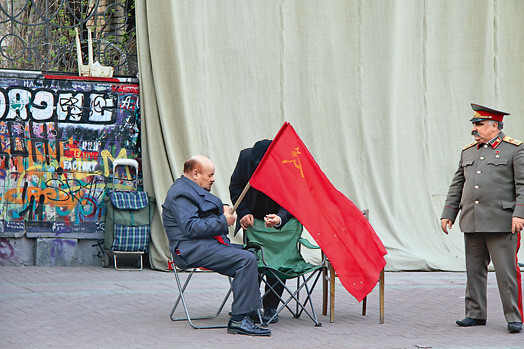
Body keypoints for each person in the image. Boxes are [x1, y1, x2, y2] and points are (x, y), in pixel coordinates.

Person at [162, 155, 270, 336]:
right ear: (195, 173)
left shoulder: (190, 188)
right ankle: (238, 319)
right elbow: (191, 227)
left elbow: (204, 209)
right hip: (190, 250)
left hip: (204, 245)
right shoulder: (180, 193)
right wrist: (223, 220)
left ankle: (249, 309)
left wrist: (224, 207)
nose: (213, 179)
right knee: (245, 259)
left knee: (254, 253)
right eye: (210, 175)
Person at [441, 103, 524, 333]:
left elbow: (523, 185)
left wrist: (520, 213)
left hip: (502, 221)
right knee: (474, 270)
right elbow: (458, 184)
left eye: (479, 125)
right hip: (473, 220)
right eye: (474, 125)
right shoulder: (468, 151)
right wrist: (449, 213)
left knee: (506, 272)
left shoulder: (514, 149)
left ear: (495, 126)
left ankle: (513, 317)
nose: (474, 129)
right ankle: (475, 314)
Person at [229, 139, 294, 323]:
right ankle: (249, 306)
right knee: (252, 260)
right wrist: (244, 212)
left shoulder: (287, 163)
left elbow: (292, 196)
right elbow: (236, 187)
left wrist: (280, 218)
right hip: (253, 219)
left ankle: (270, 306)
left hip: (278, 219)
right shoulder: (245, 157)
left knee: (276, 261)